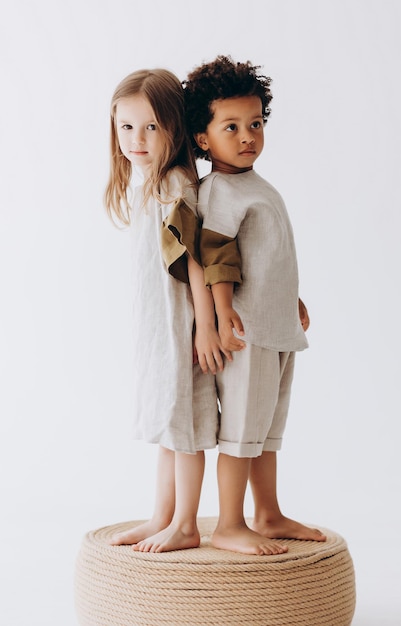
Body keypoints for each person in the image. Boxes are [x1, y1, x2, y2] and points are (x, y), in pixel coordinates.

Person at [183, 55, 326, 555]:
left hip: (275, 325)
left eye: (255, 123)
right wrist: (222, 317)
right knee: (243, 430)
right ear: (203, 138)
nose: (248, 136)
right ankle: (228, 523)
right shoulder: (220, 188)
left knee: (266, 431)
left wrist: (293, 299)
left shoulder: (254, 185)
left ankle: (267, 513)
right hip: (246, 332)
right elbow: (216, 253)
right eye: (232, 126)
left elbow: (265, 254)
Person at [104, 68, 226, 553]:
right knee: (167, 425)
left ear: (173, 127)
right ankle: (162, 515)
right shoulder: (144, 182)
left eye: (151, 126)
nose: (136, 139)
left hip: (181, 325)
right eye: (126, 127)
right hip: (157, 325)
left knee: (186, 426)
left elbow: (194, 259)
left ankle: (186, 523)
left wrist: (205, 328)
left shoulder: (175, 183)